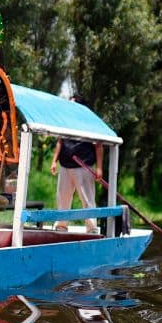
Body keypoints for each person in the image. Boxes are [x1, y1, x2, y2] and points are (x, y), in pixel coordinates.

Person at [50, 95, 103, 233]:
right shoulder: (65, 122)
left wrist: (99, 168)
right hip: (65, 166)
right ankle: (61, 225)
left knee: (87, 198)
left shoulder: (89, 122)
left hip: (83, 165)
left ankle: (91, 228)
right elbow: (60, 141)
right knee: (62, 197)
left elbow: (98, 145)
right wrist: (54, 161)